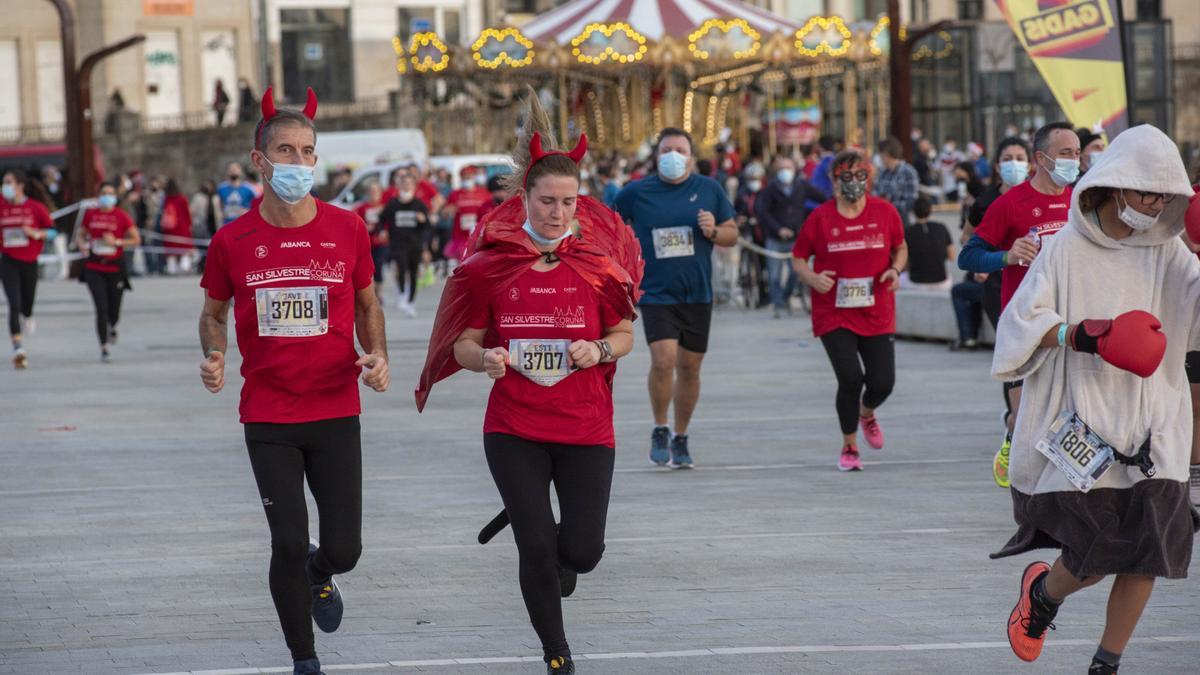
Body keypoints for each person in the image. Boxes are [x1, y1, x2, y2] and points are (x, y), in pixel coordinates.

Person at [415, 92, 642, 675]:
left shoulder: (596, 263)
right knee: (536, 546)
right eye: (547, 201)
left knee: (583, 553)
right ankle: (556, 651)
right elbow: (464, 343)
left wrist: (598, 348)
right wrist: (483, 358)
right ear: (525, 198)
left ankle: (550, 541)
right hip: (514, 425)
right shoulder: (494, 263)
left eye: (569, 201)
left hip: (586, 425)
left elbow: (624, 335)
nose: (559, 212)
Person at [989, 124, 1200, 675]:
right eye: (1147, 193)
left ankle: (1105, 665)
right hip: (1083, 420)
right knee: (1094, 557)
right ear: (1117, 184)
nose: (1155, 205)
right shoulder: (1065, 248)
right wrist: (1081, 334)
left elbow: (1196, 308)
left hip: (1155, 420)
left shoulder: (1170, 250)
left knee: (1150, 553)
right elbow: (1019, 325)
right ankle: (1043, 597)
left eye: (1166, 196)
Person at [197, 87, 389, 675]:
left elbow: (367, 303)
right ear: (261, 161)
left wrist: (376, 353)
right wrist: (214, 355)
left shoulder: (347, 228)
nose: (300, 163)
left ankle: (320, 574)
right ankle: (304, 659)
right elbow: (213, 313)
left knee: (344, 549)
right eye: (287, 150)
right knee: (285, 541)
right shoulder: (233, 240)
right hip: (269, 416)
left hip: (335, 409)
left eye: (308, 151)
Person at [959, 122, 1078, 488]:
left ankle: (1065, 490)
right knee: (1026, 413)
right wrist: (1006, 257)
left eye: (1076, 154)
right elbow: (968, 256)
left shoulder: (1082, 198)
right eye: (1065, 154)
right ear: (1040, 159)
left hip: (1073, 319)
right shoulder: (1009, 204)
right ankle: (1016, 443)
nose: (1073, 161)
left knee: (1073, 414)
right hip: (1027, 322)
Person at [614, 127, 738, 468]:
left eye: (680, 149)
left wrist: (713, 230)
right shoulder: (637, 192)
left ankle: (681, 435)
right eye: (667, 149)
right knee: (664, 358)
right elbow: (609, 225)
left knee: (690, 366)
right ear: (656, 156)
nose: (673, 155)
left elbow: (732, 234)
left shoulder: (709, 189)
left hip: (696, 292)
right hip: (655, 291)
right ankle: (660, 426)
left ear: (691, 155)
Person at [791, 149, 907, 471]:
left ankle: (867, 412)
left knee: (882, 382)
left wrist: (895, 271)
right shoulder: (820, 218)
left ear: (870, 178)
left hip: (876, 309)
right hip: (834, 311)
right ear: (833, 180)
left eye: (860, 176)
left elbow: (900, 247)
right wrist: (812, 278)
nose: (853, 183)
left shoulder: (885, 212)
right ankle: (850, 445)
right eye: (846, 177)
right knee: (851, 377)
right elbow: (799, 257)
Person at [755, 156, 827, 317]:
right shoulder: (770, 189)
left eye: (788, 168)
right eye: (781, 169)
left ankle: (785, 298)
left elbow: (822, 198)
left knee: (796, 274)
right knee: (774, 275)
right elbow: (763, 212)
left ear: (794, 170)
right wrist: (778, 229)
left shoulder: (801, 186)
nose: (785, 172)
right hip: (775, 238)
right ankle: (778, 305)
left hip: (796, 238)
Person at [77, 182, 139, 361]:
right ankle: (103, 346)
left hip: (115, 268)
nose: (107, 196)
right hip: (94, 267)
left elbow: (136, 239)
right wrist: (82, 244)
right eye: (104, 193)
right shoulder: (91, 215)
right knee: (101, 307)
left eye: (110, 193)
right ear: (98, 196)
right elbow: (81, 234)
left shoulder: (121, 216)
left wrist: (117, 242)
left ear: (115, 197)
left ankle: (113, 325)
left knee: (114, 309)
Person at [0, 170, 54, 369]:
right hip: (8, 261)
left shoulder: (35, 207)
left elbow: (53, 231)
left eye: (8, 182)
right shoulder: (2, 206)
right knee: (13, 304)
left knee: (26, 304)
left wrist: (35, 233)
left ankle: (29, 315)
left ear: (20, 185)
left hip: (29, 260)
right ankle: (18, 348)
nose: (5, 186)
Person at [378, 170, 430, 317]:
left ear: (414, 186)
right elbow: (382, 219)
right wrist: (383, 230)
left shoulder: (419, 204)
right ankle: (401, 294)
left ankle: (411, 302)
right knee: (401, 268)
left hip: (415, 243)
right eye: (404, 183)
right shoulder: (393, 204)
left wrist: (423, 220)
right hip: (398, 243)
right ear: (399, 185)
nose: (407, 186)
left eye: (409, 183)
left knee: (413, 273)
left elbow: (427, 227)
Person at [900, 197, 953, 290]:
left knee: (899, 277)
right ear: (930, 210)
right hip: (942, 282)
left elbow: (904, 263)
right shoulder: (941, 228)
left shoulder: (908, 231)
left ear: (913, 212)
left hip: (915, 282)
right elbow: (951, 256)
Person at [444, 167, 493, 262]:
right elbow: (445, 213)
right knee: (462, 263)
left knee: (479, 262)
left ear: (474, 177)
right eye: (464, 177)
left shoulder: (484, 193)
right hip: (461, 235)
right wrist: (448, 211)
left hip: (480, 234)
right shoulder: (455, 194)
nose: (467, 179)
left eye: (469, 177)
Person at [354, 182, 389, 299]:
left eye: (376, 191)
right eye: (371, 191)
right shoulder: (362, 207)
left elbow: (390, 223)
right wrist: (364, 226)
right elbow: (354, 221)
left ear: (380, 193)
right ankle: (370, 294)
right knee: (366, 268)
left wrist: (385, 231)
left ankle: (379, 294)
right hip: (366, 243)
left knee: (378, 266)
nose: (373, 194)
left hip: (380, 242)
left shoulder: (385, 207)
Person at [873, 136, 920, 226]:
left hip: (902, 221)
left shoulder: (909, 172)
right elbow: (875, 194)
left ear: (887, 154)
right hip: (884, 220)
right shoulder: (882, 172)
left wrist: (888, 204)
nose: (879, 157)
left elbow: (910, 202)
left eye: (880, 154)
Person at [160, 179, 194, 274]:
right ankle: (184, 266)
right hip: (183, 228)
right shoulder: (182, 199)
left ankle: (172, 268)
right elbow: (187, 214)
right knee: (184, 249)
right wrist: (190, 225)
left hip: (170, 229)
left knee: (171, 250)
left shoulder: (166, 199)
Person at [218, 162, 258, 227]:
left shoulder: (249, 188)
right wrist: (220, 212)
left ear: (241, 172)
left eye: (235, 169)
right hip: (227, 225)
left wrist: (248, 211)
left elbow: (259, 205)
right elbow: (218, 204)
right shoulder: (221, 188)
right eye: (231, 170)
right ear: (227, 172)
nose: (233, 171)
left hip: (244, 224)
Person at [937, 137, 966, 202]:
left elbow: (966, 167)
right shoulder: (941, 156)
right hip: (946, 186)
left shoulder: (959, 155)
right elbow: (937, 170)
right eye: (948, 144)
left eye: (952, 144)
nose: (950, 146)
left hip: (958, 185)